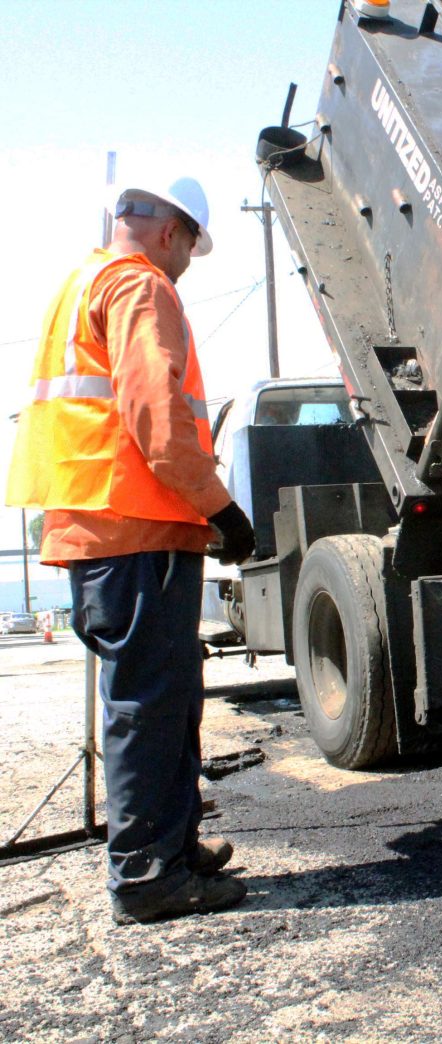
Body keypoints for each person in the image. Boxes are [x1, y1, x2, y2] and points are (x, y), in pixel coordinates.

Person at [5, 176, 257, 924]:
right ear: (171, 232)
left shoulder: (84, 282)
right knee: (149, 703)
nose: (186, 264)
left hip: (107, 525)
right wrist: (223, 509)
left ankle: (171, 847)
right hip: (135, 525)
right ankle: (149, 876)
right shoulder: (142, 289)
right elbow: (156, 416)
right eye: (190, 248)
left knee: (165, 698)